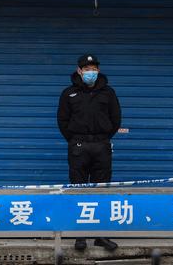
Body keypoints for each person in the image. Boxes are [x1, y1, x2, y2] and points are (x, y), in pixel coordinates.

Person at [57, 54, 122, 252]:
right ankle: (80, 236)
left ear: (98, 71)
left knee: (101, 191)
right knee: (79, 189)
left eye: (93, 68)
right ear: (79, 71)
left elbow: (116, 118)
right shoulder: (69, 93)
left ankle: (101, 235)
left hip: (101, 145)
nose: (90, 72)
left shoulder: (108, 93)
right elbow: (62, 121)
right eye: (86, 69)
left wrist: (103, 137)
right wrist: (75, 139)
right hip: (78, 146)